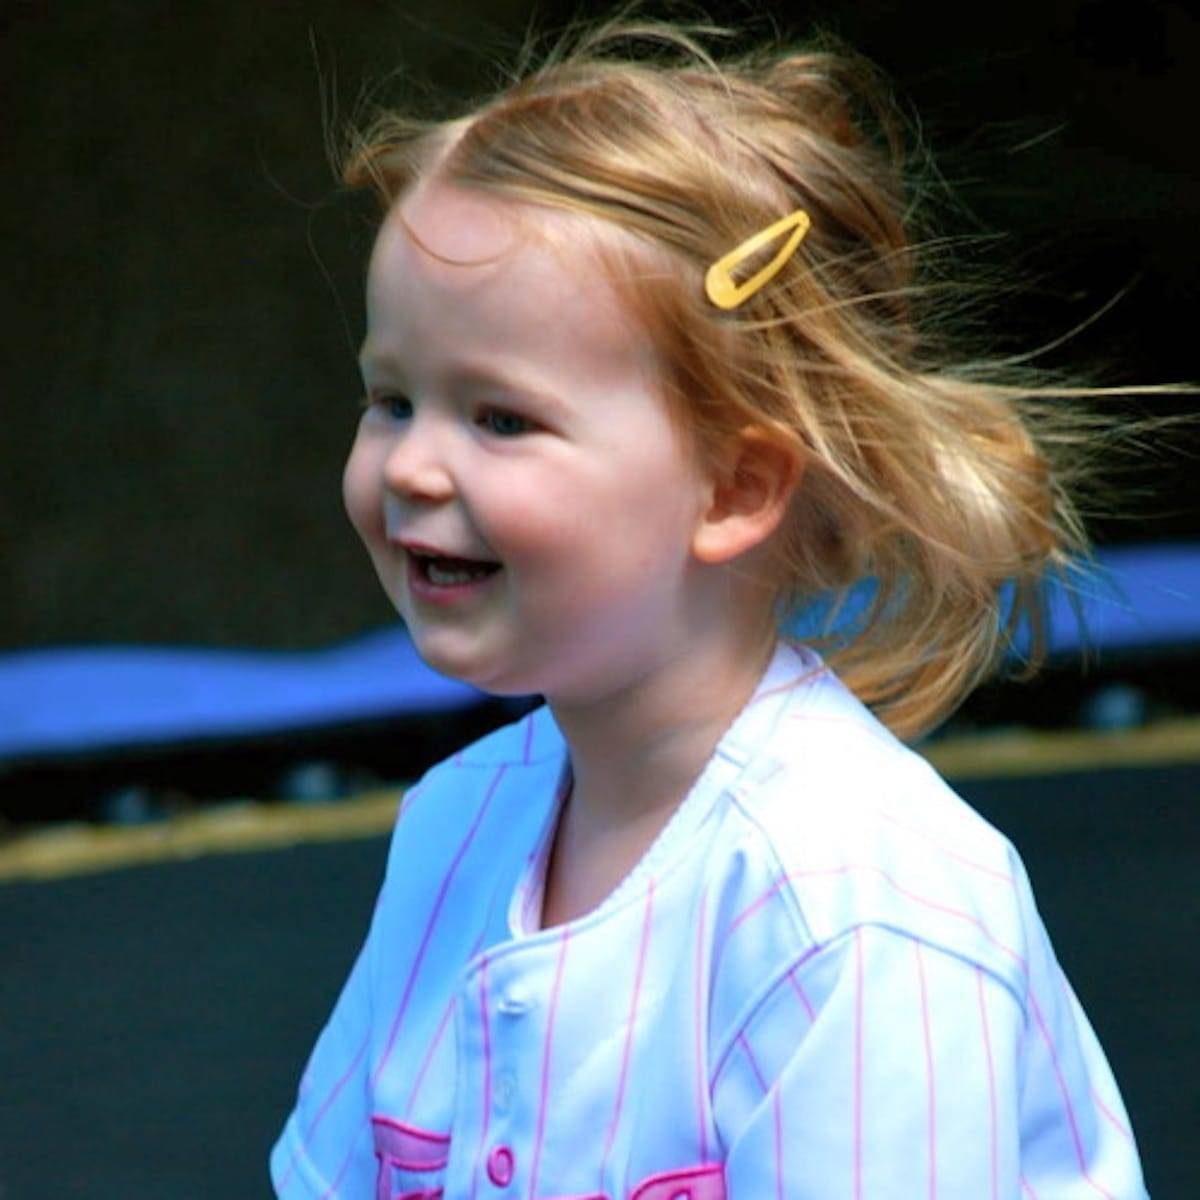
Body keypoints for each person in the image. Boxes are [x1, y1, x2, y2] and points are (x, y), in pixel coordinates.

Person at [271, 11, 1152, 1197]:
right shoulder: (457, 827)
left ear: (735, 487)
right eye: (392, 400)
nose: (416, 468)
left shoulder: (857, 910)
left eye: (500, 418)